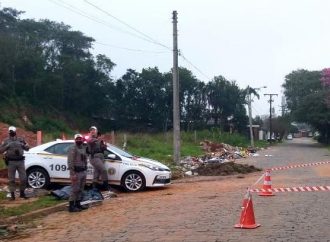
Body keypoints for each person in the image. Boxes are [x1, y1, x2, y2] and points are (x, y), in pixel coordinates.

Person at [0, 126, 29, 200]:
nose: (11, 133)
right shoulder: (6, 141)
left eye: (12, 131)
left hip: (20, 161)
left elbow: (27, 148)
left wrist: (23, 145)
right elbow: (1, 150)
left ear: (15, 132)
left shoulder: (21, 140)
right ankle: (12, 195)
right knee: (11, 180)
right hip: (11, 162)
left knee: (23, 178)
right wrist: (7, 146)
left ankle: (22, 193)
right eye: (10, 131)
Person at [67, 134, 88, 212]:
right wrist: (72, 173)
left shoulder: (83, 147)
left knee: (80, 189)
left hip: (82, 171)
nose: (79, 140)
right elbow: (70, 161)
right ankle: (71, 206)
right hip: (76, 172)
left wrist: (85, 169)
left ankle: (78, 204)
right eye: (77, 139)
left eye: (80, 139)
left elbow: (85, 159)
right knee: (74, 189)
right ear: (75, 140)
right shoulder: (72, 148)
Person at [86, 126, 109, 190]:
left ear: (96, 131)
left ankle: (94, 187)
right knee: (103, 170)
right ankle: (106, 186)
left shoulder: (99, 139)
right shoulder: (89, 138)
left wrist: (104, 145)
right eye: (91, 130)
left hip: (101, 156)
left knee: (97, 172)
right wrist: (99, 139)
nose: (92, 131)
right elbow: (90, 141)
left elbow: (103, 148)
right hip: (94, 157)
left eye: (93, 130)